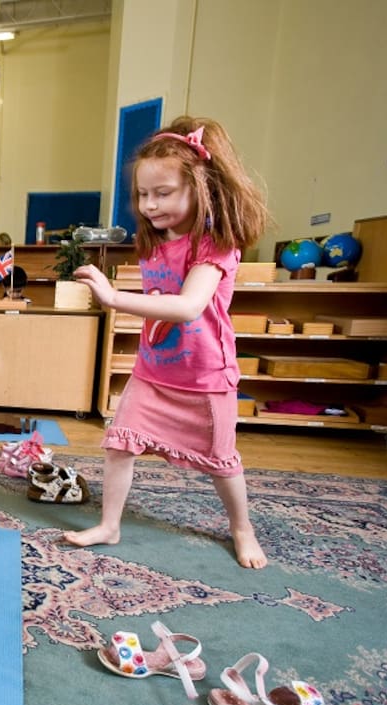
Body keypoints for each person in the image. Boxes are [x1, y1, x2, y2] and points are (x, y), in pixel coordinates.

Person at [64, 116, 270, 570]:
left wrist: (113, 297)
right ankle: (109, 526)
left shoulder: (215, 244)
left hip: (205, 377)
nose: (150, 205)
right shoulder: (155, 241)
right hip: (154, 372)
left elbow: (189, 306)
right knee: (119, 445)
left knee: (221, 462)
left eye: (163, 193)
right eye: (143, 194)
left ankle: (242, 528)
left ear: (201, 189)